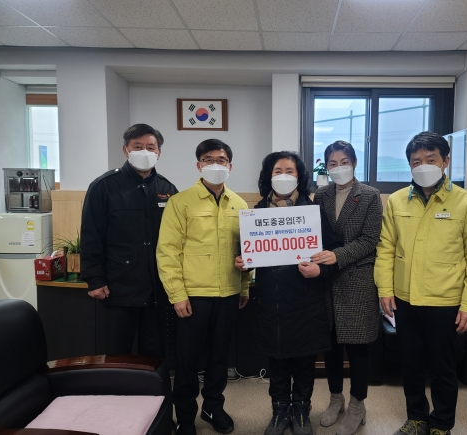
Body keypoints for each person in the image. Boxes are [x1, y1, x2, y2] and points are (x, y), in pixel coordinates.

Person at [374, 132, 467, 435]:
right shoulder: (397, 201)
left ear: (445, 161)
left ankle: (441, 424)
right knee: (410, 364)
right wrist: (385, 289)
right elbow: (386, 248)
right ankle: (416, 417)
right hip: (405, 299)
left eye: (431, 159)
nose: (423, 165)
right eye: (416, 161)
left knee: (443, 368)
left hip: (445, 302)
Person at [234, 151, 341, 435]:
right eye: (277, 171)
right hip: (272, 302)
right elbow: (246, 255)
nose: (283, 176)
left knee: (305, 361)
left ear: (299, 176)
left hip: (306, 301)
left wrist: (320, 270)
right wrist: (243, 262)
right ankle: (279, 411)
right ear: (268, 176)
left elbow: (333, 255)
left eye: (289, 171)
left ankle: (302, 410)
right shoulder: (256, 213)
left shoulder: (313, 212)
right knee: (277, 362)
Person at [156, 139, 251, 435]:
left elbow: (247, 253)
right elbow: (167, 252)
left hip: (229, 294)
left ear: (230, 166)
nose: (215, 165)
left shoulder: (240, 204)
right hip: (194, 296)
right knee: (187, 360)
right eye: (208, 160)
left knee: (219, 358)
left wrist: (244, 287)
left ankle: (213, 407)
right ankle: (185, 416)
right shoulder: (180, 202)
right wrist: (177, 295)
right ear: (198, 165)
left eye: (221, 160)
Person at [81, 123, 178, 359]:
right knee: (117, 353)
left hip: (156, 290)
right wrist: (94, 279)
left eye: (150, 147)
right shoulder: (103, 186)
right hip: (118, 289)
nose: (145, 151)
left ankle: (156, 386)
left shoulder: (168, 189)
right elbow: (91, 235)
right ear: (125, 150)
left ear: (159, 152)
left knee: (155, 354)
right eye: (137, 146)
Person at [311, 141, 383, 435]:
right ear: (326, 167)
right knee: (330, 345)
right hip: (327, 280)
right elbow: (313, 233)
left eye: (344, 162)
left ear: (354, 163)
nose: (338, 167)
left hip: (357, 279)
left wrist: (337, 256)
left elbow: (370, 239)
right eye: (332, 163)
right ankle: (335, 399)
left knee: (358, 347)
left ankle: (357, 405)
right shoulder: (321, 194)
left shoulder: (370, 195)